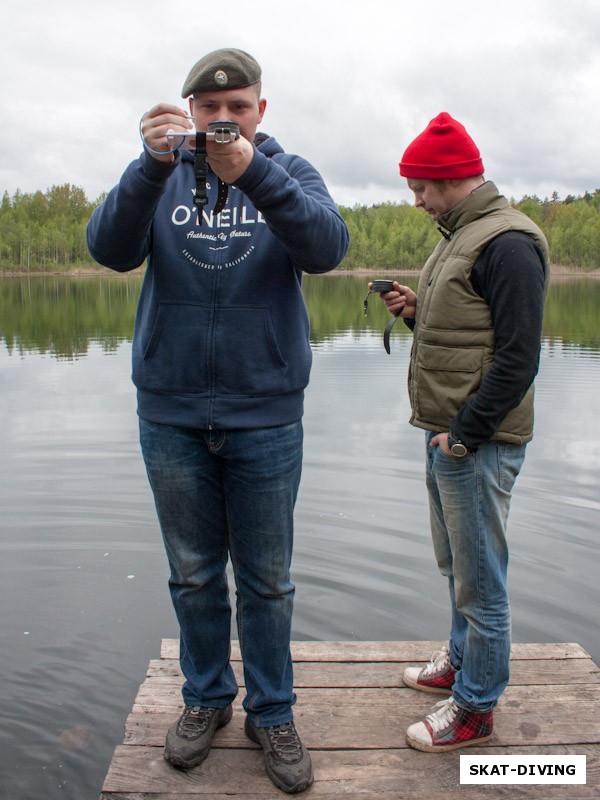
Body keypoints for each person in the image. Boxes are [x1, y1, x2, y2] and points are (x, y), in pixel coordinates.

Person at [87, 48, 349, 793]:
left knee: (267, 582)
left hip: (266, 415)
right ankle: (206, 698)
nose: (223, 120)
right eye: (210, 108)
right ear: (190, 110)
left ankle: (273, 711)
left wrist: (252, 174)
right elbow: (107, 250)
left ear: (261, 111)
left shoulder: (289, 171)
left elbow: (328, 249)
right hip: (169, 413)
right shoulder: (158, 171)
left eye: (238, 108)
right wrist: (145, 165)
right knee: (195, 576)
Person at [375, 112, 549, 752]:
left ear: (451, 179)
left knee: (481, 580)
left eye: (420, 186)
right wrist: (419, 311)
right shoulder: (460, 234)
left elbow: (518, 357)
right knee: (457, 569)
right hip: (451, 435)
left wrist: (465, 434)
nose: (415, 200)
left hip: (477, 441)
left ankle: (475, 708)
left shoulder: (506, 242)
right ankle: (459, 660)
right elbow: (471, 335)